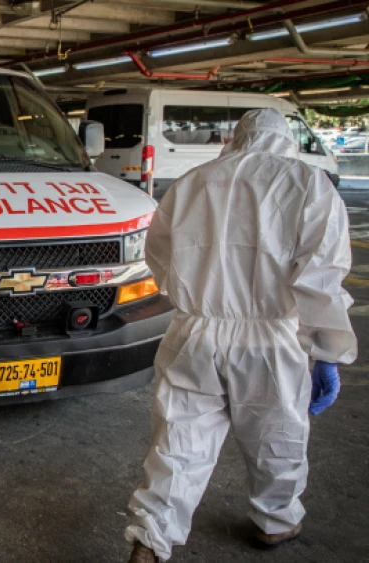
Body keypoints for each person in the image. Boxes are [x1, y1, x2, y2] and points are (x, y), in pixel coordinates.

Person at [125, 109, 357, 562]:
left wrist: (198, 298)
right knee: (279, 435)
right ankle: (276, 520)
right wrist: (326, 352)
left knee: (178, 442)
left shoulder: (193, 181)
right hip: (270, 339)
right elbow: (321, 278)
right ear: (285, 141)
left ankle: (150, 539)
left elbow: (159, 257)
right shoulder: (309, 184)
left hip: (194, 333)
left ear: (238, 138)